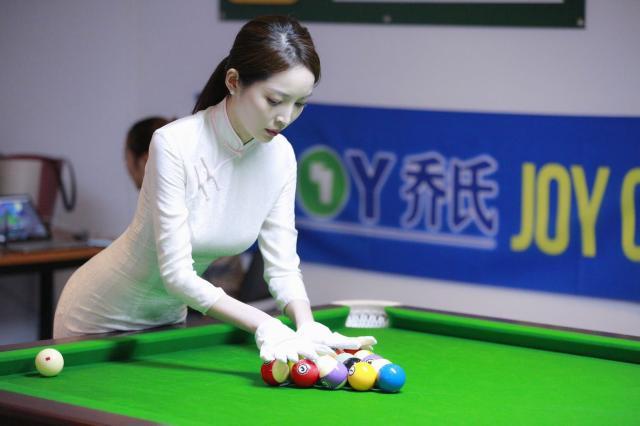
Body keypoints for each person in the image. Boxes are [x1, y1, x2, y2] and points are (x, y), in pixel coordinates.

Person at [54, 15, 375, 363]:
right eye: (274, 100)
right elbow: (177, 274)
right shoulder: (174, 142)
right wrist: (265, 324)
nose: (285, 117)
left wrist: (306, 324)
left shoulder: (281, 155)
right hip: (97, 317)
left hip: (168, 322)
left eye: (299, 103)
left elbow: (282, 265)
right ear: (234, 81)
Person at [125, 116, 249, 299]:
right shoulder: (202, 192)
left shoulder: (172, 206)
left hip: (204, 306)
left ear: (145, 161)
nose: (127, 169)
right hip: (225, 299)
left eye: (127, 159)